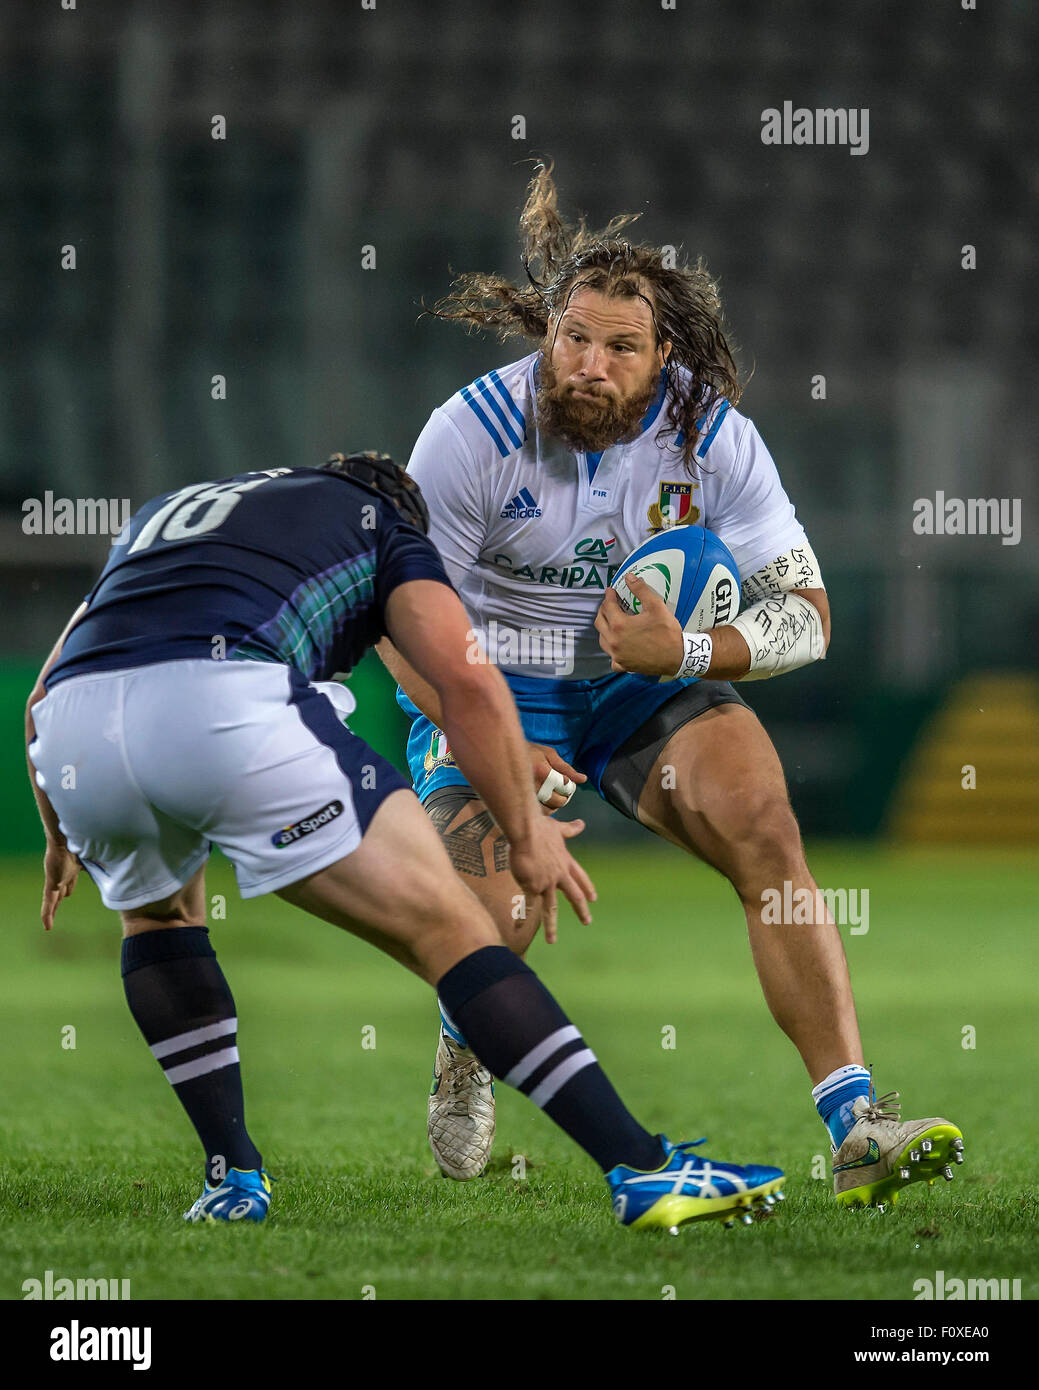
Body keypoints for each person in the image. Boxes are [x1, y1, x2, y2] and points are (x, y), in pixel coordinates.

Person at [379, 167, 964, 1208]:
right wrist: (490, 739)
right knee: (494, 915)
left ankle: (856, 1126)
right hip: (488, 682)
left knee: (764, 825)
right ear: (549, 331)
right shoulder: (468, 433)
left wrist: (686, 654)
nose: (587, 366)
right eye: (572, 338)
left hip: (640, 685)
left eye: (620, 348)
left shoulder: (712, 436)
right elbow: (394, 621)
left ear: (664, 359)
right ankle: (465, 1039)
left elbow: (807, 615)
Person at [26, 450, 786, 1230]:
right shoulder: (383, 523)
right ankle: (644, 1168)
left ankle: (232, 1176)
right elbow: (465, 682)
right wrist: (525, 831)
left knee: (158, 918)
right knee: (454, 930)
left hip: (74, 735)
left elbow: (44, 689)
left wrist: (58, 834)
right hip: (223, 707)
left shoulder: (169, 512)